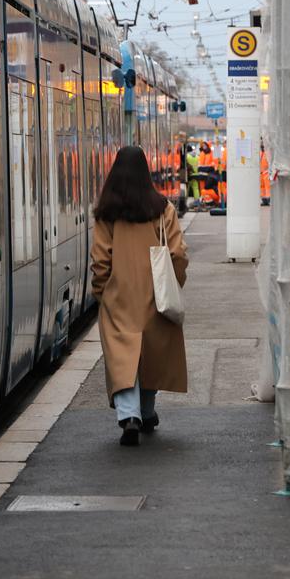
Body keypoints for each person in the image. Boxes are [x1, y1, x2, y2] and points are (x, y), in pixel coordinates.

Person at [91, 146, 189, 446]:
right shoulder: (163, 209)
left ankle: (129, 415)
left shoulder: (106, 213)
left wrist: (102, 291)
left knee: (123, 358)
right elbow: (178, 254)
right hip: (154, 296)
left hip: (119, 296)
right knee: (150, 356)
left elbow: (100, 261)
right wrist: (175, 283)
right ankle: (146, 412)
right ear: (147, 173)